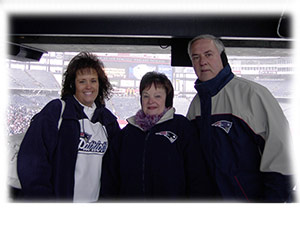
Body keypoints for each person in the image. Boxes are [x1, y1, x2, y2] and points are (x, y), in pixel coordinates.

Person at [186, 34, 295, 202]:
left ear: (222, 57)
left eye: (208, 54)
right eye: (196, 57)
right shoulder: (195, 105)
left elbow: (282, 153)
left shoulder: (252, 94)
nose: (202, 62)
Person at [17, 52, 120, 202]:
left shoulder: (108, 120)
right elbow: (32, 160)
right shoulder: (56, 112)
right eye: (82, 81)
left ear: (100, 84)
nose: (89, 86)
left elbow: (113, 169)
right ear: (73, 84)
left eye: (93, 81)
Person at [100, 71, 212, 200]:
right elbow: (110, 179)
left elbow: (197, 175)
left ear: (167, 98)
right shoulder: (126, 134)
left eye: (157, 96)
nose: (151, 101)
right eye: (146, 96)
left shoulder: (181, 127)